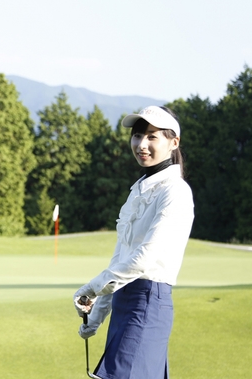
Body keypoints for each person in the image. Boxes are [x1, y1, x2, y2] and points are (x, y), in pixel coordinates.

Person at [73, 106, 194, 379]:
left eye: (152, 137)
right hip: (125, 305)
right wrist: (96, 317)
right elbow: (121, 261)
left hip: (148, 304)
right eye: (138, 136)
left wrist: (91, 289)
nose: (142, 144)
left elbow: (143, 259)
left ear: (174, 143)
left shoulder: (175, 191)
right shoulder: (138, 190)